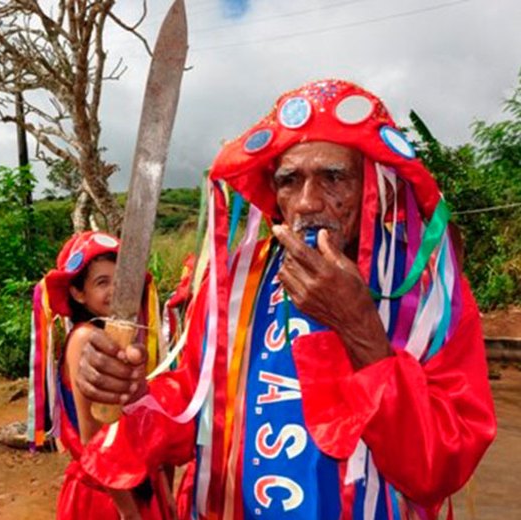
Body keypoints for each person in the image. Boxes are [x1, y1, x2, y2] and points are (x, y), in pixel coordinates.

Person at [74, 79, 497, 519]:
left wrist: (361, 331)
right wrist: (136, 396)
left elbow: (442, 466)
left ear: (372, 183)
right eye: (289, 180)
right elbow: (197, 407)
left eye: (334, 177)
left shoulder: (425, 292)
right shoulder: (235, 280)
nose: (308, 203)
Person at [27, 231, 172, 519]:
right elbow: (92, 437)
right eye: (102, 282)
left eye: (122, 280)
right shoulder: (86, 338)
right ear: (78, 293)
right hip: (108, 496)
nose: (116, 289)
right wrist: (128, 511)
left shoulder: (119, 336)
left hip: (135, 485)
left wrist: (163, 489)